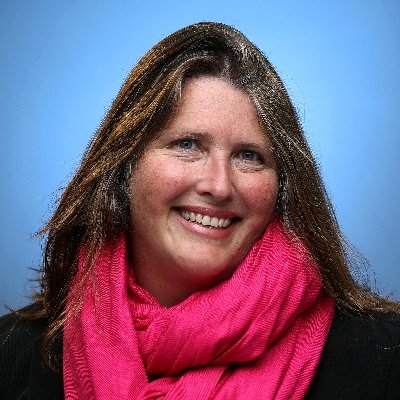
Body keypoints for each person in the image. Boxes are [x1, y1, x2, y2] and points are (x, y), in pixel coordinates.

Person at [1, 22, 399, 400]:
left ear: (283, 186)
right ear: (124, 166)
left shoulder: (385, 356)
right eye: (188, 145)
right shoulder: (12, 356)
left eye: (249, 156)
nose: (219, 185)